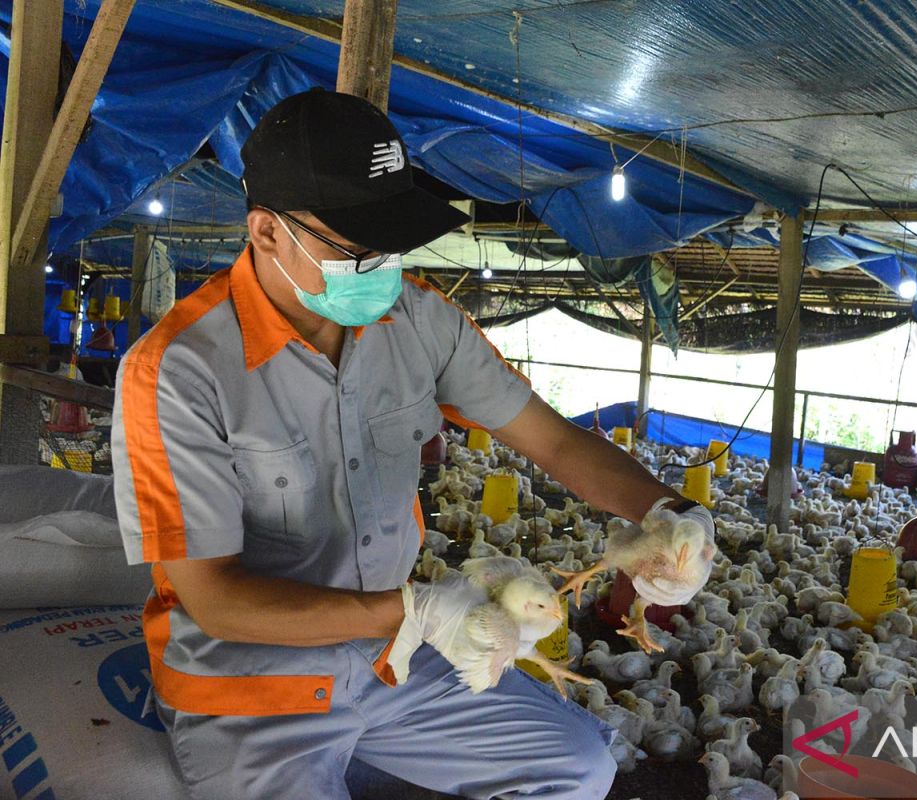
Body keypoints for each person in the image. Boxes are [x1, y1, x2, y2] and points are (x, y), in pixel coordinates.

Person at [112, 88, 715, 800]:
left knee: (580, 768)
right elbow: (215, 602)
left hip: (389, 659)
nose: (382, 263)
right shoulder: (176, 371)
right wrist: (420, 609)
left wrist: (670, 514)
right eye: (355, 245)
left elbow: (553, 441)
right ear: (267, 232)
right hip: (251, 682)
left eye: (391, 241)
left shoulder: (422, 322)